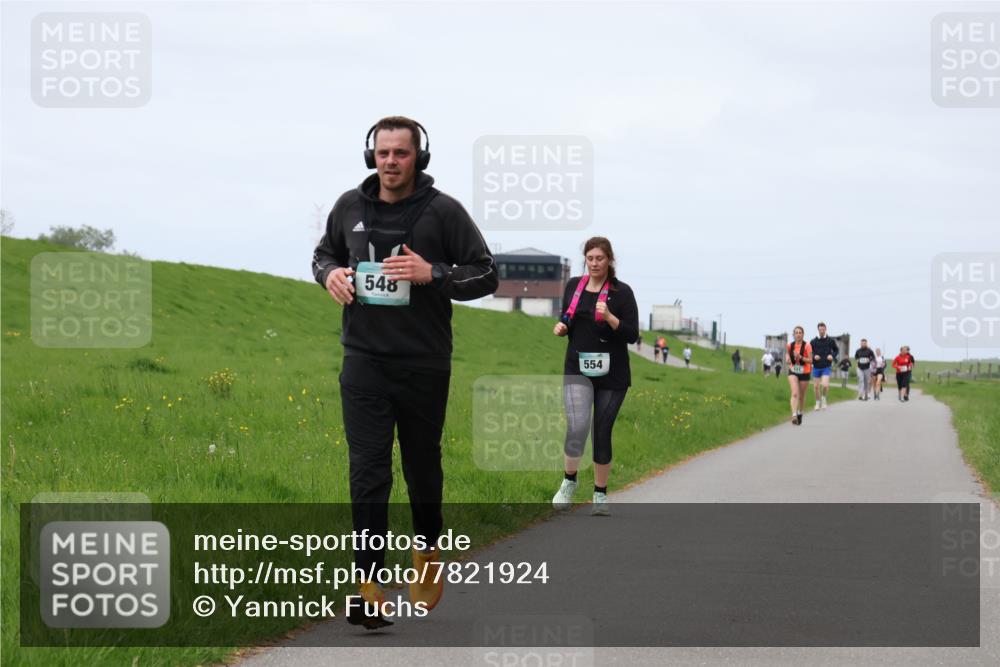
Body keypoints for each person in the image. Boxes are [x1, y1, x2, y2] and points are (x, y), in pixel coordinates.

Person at [311, 116, 498, 629]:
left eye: (401, 153)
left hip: (423, 364)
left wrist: (433, 272)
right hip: (364, 361)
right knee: (368, 471)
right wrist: (331, 275)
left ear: (420, 158)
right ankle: (369, 585)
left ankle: (427, 550)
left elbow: (487, 273)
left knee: (421, 467)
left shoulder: (444, 212)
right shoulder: (348, 207)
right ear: (370, 156)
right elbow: (323, 254)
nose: (390, 161)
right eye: (383, 153)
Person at [552, 237, 639, 517]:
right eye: (590, 258)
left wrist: (611, 317)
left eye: (599, 258)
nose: (594, 263)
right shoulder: (573, 286)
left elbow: (632, 334)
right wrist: (562, 327)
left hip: (612, 375)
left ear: (610, 260)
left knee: (601, 431)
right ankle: (569, 481)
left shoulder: (622, 293)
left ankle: (600, 494)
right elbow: (567, 317)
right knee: (577, 427)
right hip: (577, 368)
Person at [785, 326, 812, 425]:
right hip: (793, 371)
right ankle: (794, 415)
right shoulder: (789, 345)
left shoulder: (807, 346)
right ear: (793, 335)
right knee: (795, 393)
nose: (798, 334)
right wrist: (788, 359)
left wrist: (800, 357)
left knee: (801, 395)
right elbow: (787, 354)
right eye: (796, 333)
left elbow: (810, 360)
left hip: (805, 372)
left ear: (803, 334)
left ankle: (800, 412)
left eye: (800, 332)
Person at [810, 322, 839, 410]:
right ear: (818, 330)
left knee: (825, 385)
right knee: (816, 386)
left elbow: (836, 350)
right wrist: (814, 356)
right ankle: (817, 403)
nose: (822, 331)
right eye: (820, 330)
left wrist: (832, 356)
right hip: (816, 366)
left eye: (823, 329)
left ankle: (823, 398)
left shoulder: (830, 341)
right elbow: (809, 352)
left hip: (826, 366)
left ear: (825, 329)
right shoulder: (813, 341)